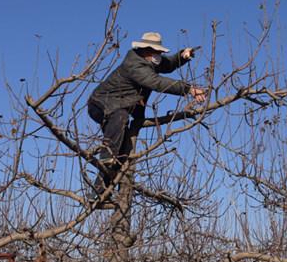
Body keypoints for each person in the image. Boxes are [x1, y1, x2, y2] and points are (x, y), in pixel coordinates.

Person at [87, 31, 206, 192]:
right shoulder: (134, 65)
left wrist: (182, 56)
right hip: (100, 105)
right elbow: (157, 82)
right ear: (144, 50)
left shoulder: (151, 61)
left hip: (121, 105)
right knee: (120, 119)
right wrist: (189, 89)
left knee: (123, 149)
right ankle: (107, 157)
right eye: (155, 52)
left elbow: (168, 65)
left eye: (159, 52)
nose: (158, 55)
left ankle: (101, 192)